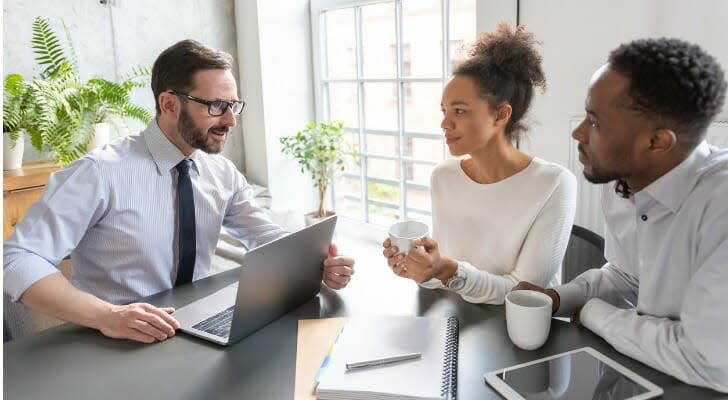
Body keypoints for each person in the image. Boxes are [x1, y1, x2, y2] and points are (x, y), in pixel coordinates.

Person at [3, 40, 355, 344]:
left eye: (233, 106)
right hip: (112, 337)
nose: (230, 120)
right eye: (217, 106)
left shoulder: (221, 173)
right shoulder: (98, 174)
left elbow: (266, 237)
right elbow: (17, 260)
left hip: (196, 327)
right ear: (169, 104)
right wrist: (108, 315)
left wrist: (316, 263)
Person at [514, 37, 728, 392]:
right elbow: (628, 277)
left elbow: (707, 360)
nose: (577, 132)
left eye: (595, 123)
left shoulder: (719, 207)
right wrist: (557, 299)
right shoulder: (624, 182)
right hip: (643, 374)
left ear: (657, 142)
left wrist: (594, 314)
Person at [382, 23, 576, 304]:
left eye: (459, 111)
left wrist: (448, 269)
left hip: (519, 333)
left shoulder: (554, 184)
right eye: (444, 110)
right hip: (457, 324)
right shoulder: (443, 176)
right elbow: (445, 280)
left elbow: (524, 294)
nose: (445, 123)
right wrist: (420, 267)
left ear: (501, 115)